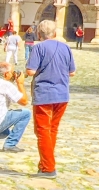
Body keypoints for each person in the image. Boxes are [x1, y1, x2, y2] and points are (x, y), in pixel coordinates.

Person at [25, 20, 76, 179]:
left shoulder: (39, 48)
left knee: (42, 131)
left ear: (39, 33)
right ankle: (45, 164)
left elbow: (31, 71)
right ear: (55, 33)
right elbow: (72, 72)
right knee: (52, 130)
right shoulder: (66, 48)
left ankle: (48, 168)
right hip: (62, 94)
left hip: (44, 94)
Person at [0, 62, 31, 152]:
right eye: (12, 72)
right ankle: (10, 144)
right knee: (26, 113)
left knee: (6, 130)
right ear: (6, 74)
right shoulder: (5, 85)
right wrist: (20, 84)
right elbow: (24, 101)